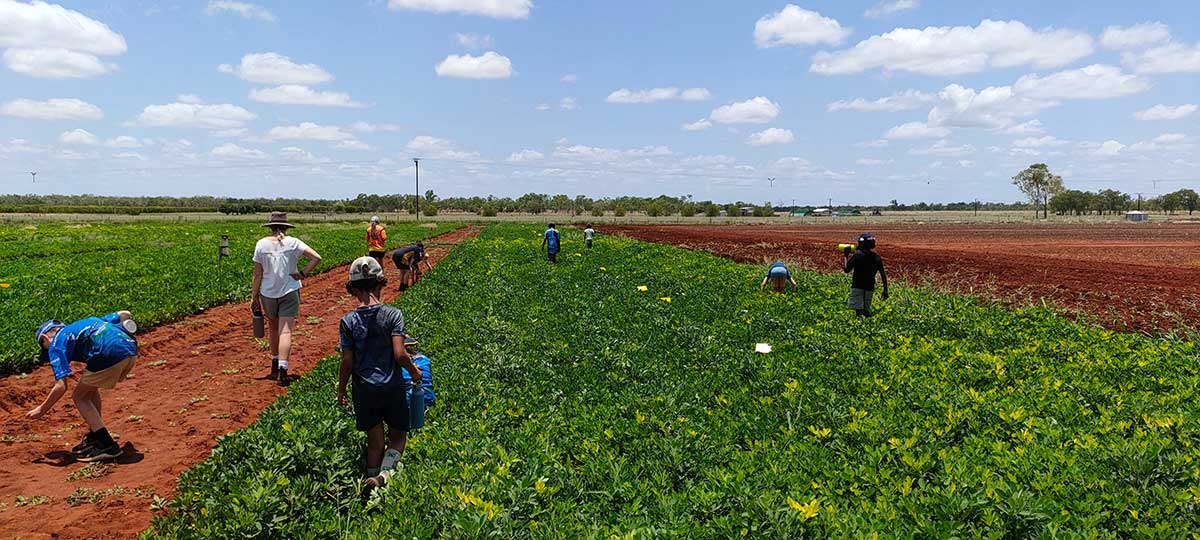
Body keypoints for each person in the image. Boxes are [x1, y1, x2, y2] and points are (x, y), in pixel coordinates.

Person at [336, 256, 422, 488]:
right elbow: (400, 354)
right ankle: (383, 477)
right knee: (399, 437)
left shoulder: (347, 321)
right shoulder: (393, 315)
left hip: (364, 389)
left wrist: (341, 389)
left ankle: (369, 485)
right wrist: (414, 372)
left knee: (375, 442)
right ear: (380, 283)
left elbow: (347, 362)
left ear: (353, 288)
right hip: (391, 386)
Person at [27, 311, 138, 462]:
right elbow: (125, 314)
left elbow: (61, 386)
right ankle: (95, 436)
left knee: (79, 397)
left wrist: (42, 409)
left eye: (44, 347)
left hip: (109, 354)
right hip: (130, 350)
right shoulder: (85, 323)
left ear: (45, 338)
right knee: (89, 389)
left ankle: (107, 445)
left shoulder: (55, 344)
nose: (47, 351)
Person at [251, 212, 322, 386]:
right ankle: (283, 369)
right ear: (285, 227)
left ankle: (274, 364)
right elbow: (316, 258)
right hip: (289, 290)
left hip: (267, 292)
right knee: (286, 331)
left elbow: (257, 274)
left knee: (273, 329)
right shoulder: (293, 243)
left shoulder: (261, 245)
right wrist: (303, 273)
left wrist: (254, 297)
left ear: (270, 227)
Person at [843, 232, 889, 317]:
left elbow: (846, 270)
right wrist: (885, 290)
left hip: (857, 287)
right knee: (866, 310)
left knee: (859, 312)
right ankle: (869, 322)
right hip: (869, 287)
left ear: (861, 244)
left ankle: (861, 326)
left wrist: (846, 255)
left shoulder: (857, 256)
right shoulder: (877, 257)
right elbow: (883, 274)